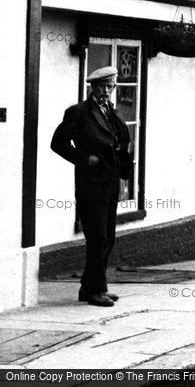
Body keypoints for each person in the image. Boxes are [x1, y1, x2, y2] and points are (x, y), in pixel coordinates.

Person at [51, 66, 132, 307]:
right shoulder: (79, 112)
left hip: (110, 181)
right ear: (93, 87)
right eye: (102, 86)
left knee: (108, 237)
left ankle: (94, 287)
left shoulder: (110, 111)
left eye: (110, 86)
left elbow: (118, 140)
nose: (106, 91)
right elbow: (58, 143)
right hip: (91, 184)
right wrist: (86, 159)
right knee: (97, 238)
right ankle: (94, 291)